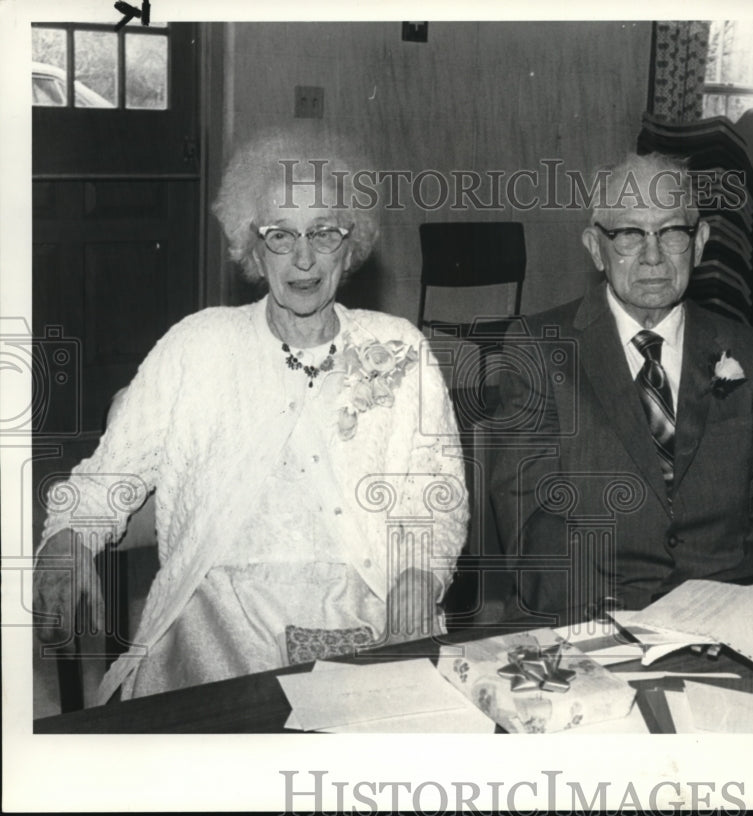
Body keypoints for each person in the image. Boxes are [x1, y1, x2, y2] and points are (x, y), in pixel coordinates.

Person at [33, 126, 468, 702]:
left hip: (366, 612)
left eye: (323, 232)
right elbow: (111, 473)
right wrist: (67, 539)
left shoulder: (400, 349)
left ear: (351, 240)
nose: (304, 258)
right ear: (253, 247)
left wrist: (418, 573)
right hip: (216, 621)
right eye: (281, 235)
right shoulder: (198, 345)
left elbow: (437, 495)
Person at [489, 152, 753, 623]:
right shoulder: (539, 351)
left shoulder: (751, 351)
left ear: (700, 242)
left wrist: (742, 610)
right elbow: (535, 527)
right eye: (628, 234)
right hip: (595, 617)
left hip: (727, 611)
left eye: (671, 232)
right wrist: (615, 626)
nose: (652, 256)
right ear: (594, 247)